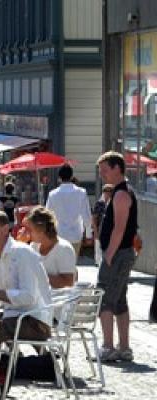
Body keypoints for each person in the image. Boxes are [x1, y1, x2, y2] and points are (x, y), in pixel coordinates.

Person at [0, 210, 53, 354]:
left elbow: (28, 297)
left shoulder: (21, 253)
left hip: (35, 321)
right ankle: (1, 363)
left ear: (5, 229)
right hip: (14, 316)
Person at [96, 152, 137, 362]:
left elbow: (119, 229)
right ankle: (124, 347)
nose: (102, 174)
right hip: (122, 253)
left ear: (117, 168)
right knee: (120, 300)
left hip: (118, 253)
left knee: (104, 299)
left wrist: (109, 255)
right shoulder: (120, 192)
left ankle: (109, 346)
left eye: (105, 170)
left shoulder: (121, 194)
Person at [45, 164, 92, 256]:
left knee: (60, 263)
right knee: (73, 262)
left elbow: (47, 215)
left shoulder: (52, 194)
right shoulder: (81, 192)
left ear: (59, 177)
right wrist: (88, 234)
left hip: (59, 234)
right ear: (71, 176)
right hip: (76, 234)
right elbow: (86, 215)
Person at [25, 206, 77, 289]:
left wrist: (38, 275)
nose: (27, 232)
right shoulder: (33, 246)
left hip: (59, 296)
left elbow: (68, 282)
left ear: (40, 230)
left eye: (30, 229)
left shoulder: (64, 249)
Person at [92, 184, 114, 267]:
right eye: (106, 191)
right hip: (100, 229)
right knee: (99, 249)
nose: (108, 193)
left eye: (110, 191)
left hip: (111, 231)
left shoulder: (114, 203)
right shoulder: (99, 203)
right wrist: (96, 231)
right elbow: (94, 218)